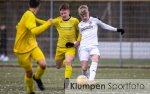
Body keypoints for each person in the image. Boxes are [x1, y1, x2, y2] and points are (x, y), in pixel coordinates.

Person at [77, 5, 124, 84]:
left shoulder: (95, 20)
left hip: (93, 46)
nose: (84, 17)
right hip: (83, 47)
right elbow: (80, 36)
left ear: (88, 12)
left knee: (95, 59)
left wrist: (117, 29)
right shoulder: (80, 25)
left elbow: (105, 26)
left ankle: (91, 80)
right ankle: (86, 79)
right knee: (84, 68)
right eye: (82, 16)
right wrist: (75, 43)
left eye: (85, 15)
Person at [13, 0, 52, 94]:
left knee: (43, 64)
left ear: (29, 5)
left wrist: (51, 22)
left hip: (32, 46)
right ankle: (30, 92)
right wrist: (48, 24)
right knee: (29, 73)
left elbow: (36, 20)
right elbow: (35, 31)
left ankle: (37, 77)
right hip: (21, 50)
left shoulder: (29, 14)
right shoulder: (29, 15)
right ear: (38, 6)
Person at [49, 3, 80, 88]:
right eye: (61, 13)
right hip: (60, 48)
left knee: (68, 61)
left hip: (70, 47)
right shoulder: (58, 20)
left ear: (69, 11)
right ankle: (65, 63)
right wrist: (48, 21)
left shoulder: (75, 21)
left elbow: (81, 31)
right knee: (58, 66)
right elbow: (46, 23)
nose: (63, 15)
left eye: (65, 13)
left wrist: (78, 41)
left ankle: (67, 79)